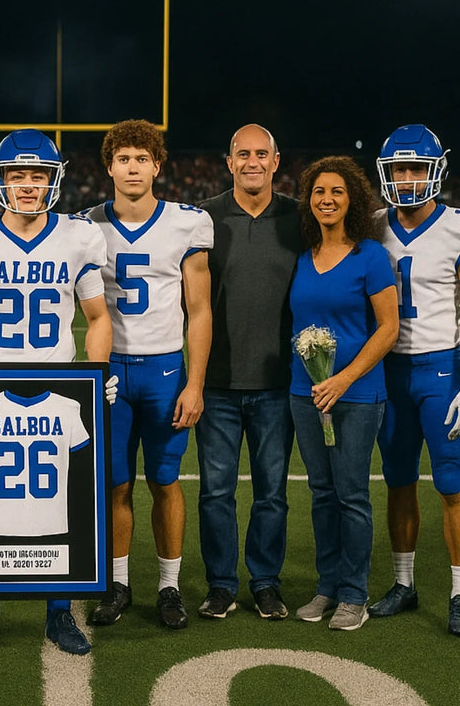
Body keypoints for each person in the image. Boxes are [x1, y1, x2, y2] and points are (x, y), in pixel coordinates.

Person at [0, 128, 115, 658]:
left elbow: (98, 317)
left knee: (61, 494)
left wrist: (96, 372)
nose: (28, 186)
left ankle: (60, 612)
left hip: (59, 380)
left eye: (38, 176)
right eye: (18, 176)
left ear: (53, 181)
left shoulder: (78, 237)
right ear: (1, 180)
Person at [85, 119, 212, 629]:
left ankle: (168, 587)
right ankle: (117, 584)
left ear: (157, 165)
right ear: (109, 167)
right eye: (123, 158)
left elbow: (199, 310)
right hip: (110, 371)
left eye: (142, 158)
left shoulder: (187, 222)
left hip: (164, 369)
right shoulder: (84, 224)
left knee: (164, 481)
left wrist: (195, 381)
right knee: (115, 485)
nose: (132, 167)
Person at [195, 124, 301, 620]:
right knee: (215, 491)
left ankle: (264, 582)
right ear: (229, 160)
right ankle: (220, 583)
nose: (253, 161)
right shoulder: (204, 219)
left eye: (262, 153)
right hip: (215, 382)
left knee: (272, 494)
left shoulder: (298, 219)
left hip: (278, 383)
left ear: (276, 161)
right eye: (244, 153)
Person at [290, 155, 398, 631]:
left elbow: (389, 328)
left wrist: (344, 378)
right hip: (305, 393)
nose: (327, 199)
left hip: (355, 395)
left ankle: (354, 594)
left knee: (352, 494)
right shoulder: (303, 255)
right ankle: (327, 586)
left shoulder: (370, 255)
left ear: (352, 199)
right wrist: (317, 382)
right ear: (309, 200)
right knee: (320, 493)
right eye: (318, 191)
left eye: (336, 191)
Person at [368, 124, 460, 636]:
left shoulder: (455, 227)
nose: (406, 179)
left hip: (440, 368)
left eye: (415, 169)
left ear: (435, 171)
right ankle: (404, 584)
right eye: (399, 170)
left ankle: (459, 589)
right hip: (389, 368)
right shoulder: (375, 223)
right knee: (398, 478)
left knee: (452, 484)